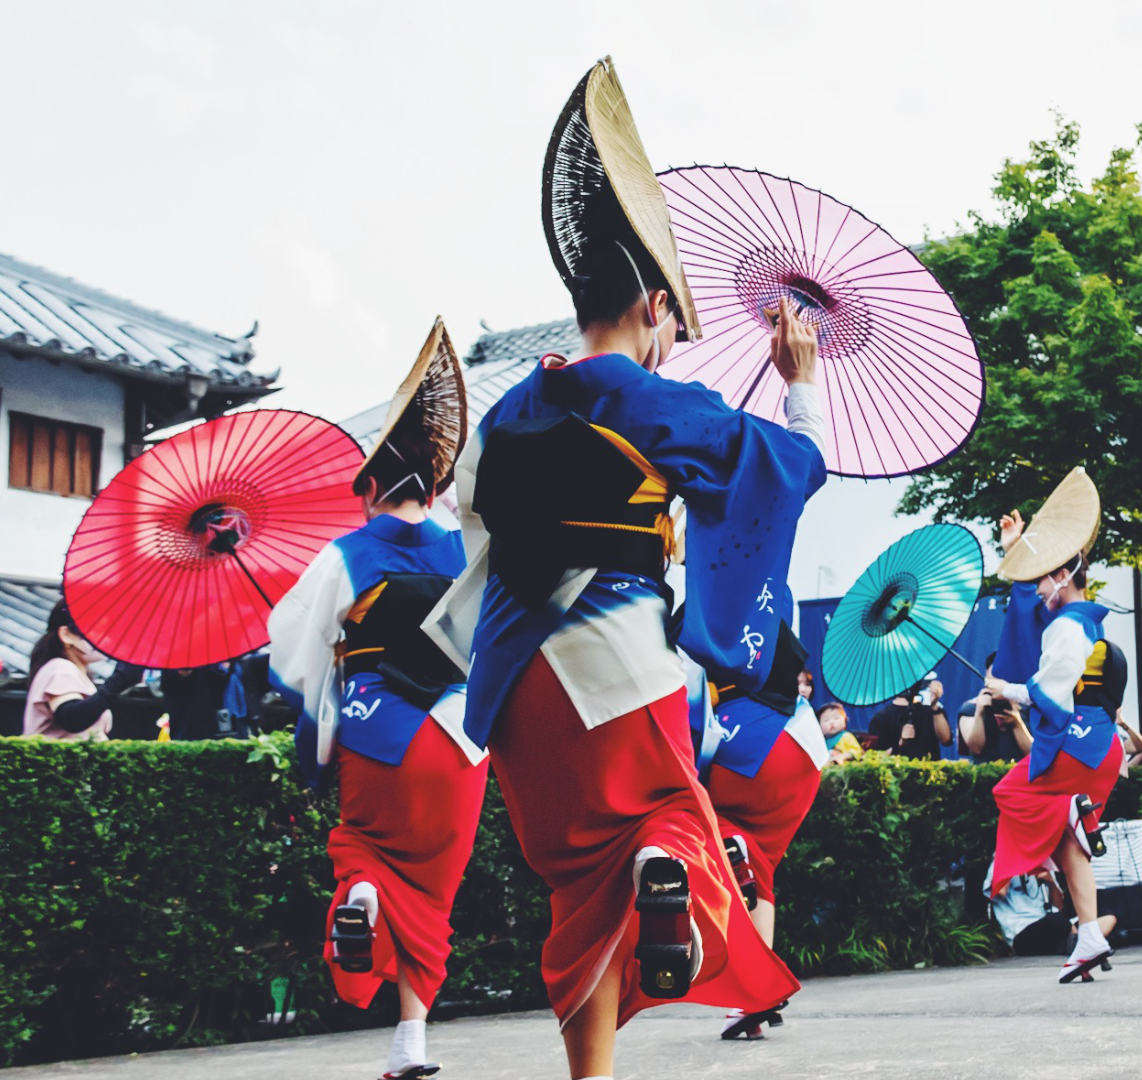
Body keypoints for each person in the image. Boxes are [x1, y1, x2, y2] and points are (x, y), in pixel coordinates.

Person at [426, 58, 821, 1080]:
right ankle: (660, 865)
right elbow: (777, 471)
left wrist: (634, 525)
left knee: (573, 887)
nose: (675, 343)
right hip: (616, 659)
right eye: (675, 324)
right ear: (651, 305)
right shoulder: (646, 401)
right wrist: (799, 387)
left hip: (512, 684)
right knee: (668, 828)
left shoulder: (511, 408)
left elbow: (480, 528)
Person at [267, 322, 489, 1080]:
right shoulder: (465, 549)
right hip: (458, 739)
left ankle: (360, 894)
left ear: (369, 488)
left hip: (379, 731)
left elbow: (289, 662)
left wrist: (334, 657)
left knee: (364, 852)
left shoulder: (347, 553)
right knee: (433, 893)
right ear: (434, 485)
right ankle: (410, 1042)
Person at [982, 466, 1127, 984]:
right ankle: (1089, 937)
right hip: (1096, 747)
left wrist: (1006, 691)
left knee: (1011, 793)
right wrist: (1016, 550)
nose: (1037, 586)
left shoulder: (1068, 625)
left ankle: (1052, 835)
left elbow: (1050, 694)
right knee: (1068, 837)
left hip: (1078, 745)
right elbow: (1028, 615)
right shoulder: (1079, 618)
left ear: (1065, 574)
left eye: (1042, 575)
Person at [688, 659, 828, 1040]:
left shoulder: (690, 627)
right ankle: (754, 998)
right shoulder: (771, 609)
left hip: (739, 738)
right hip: (802, 745)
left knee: (688, 823)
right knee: (759, 864)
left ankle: (731, 838)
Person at [24, 600, 144, 741]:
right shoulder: (60, 668)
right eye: (97, 630)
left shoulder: (73, 672)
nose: (105, 639)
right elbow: (71, 718)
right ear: (66, 635)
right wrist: (118, 681)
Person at [983, 865, 1116, 959]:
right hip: (1020, 932)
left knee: (1108, 916)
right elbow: (999, 892)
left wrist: (1050, 881)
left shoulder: (1042, 864)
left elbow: (1059, 905)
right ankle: (1083, 944)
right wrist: (1015, 862)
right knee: (1057, 921)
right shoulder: (1001, 862)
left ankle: (1075, 943)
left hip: (1050, 927)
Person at [868, 676, 951, 760]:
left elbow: (946, 739)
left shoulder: (929, 712)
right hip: (898, 771)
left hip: (929, 770)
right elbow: (876, 758)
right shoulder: (882, 718)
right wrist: (900, 743)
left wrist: (934, 706)